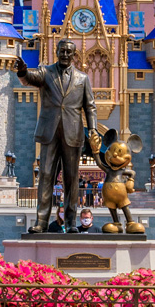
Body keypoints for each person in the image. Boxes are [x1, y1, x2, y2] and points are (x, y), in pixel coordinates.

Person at [15, 39, 95, 232]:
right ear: (56, 51)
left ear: (74, 54)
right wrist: (23, 72)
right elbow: (30, 79)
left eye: (69, 52)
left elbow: (89, 106)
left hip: (73, 132)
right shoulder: (46, 72)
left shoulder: (82, 78)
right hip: (49, 132)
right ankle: (41, 222)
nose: (65, 55)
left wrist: (92, 129)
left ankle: (70, 222)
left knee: (72, 179)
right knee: (45, 176)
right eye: (62, 51)